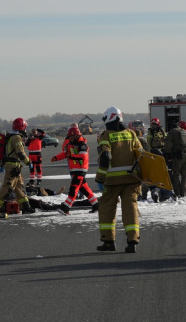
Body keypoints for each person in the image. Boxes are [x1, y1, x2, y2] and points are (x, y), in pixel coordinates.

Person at [95, 107, 144, 253]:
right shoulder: (131, 134)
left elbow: (105, 158)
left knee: (106, 209)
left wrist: (100, 179)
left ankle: (109, 242)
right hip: (132, 180)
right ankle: (132, 241)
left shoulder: (106, 136)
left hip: (112, 182)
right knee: (130, 210)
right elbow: (141, 155)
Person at [0, 118, 35, 216]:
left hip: (15, 166)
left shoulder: (12, 136)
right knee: (8, 188)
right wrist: (29, 163)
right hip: (12, 167)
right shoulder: (16, 138)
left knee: (19, 187)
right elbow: (20, 153)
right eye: (25, 127)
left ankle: (26, 206)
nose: (25, 130)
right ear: (21, 127)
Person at [52, 124, 98, 214]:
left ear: (76, 135)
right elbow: (65, 154)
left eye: (72, 137)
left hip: (80, 170)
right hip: (74, 170)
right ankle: (96, 205)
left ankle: (65, 208)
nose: (70, 139)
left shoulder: (82, 145)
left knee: (74, 189)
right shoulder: (70, 144)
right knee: (85, 189)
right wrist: (56, 158)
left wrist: (71, 156)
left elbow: (82, 156)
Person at [162, 121, 186, 199]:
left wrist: (167, 154)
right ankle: (183, 193)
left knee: (175, 175)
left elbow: (168, 145)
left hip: (179, 156)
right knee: (185, 176)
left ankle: (178, 193)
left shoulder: (172, 132)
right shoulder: (185, 131)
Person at [142, 118, 170, 202]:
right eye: (152, 124)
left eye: (154, 124)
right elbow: (149, 144)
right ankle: (150, 193)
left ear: (158, 124)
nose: (153, 126)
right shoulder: (150, 132)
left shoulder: (162, 131)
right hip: (154, 153)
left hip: (162, 153)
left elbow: (165, 140)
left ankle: (163, 191)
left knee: (164, 172)